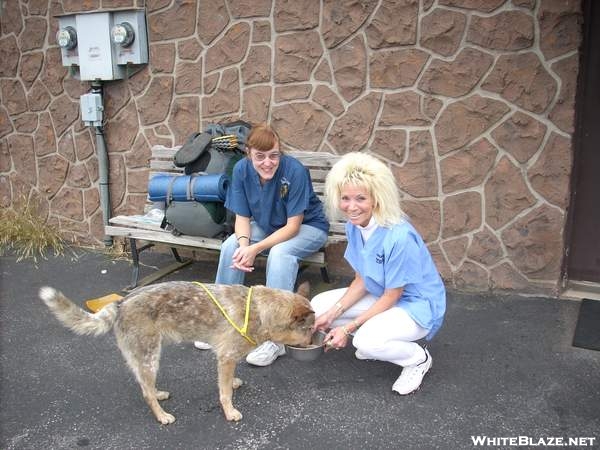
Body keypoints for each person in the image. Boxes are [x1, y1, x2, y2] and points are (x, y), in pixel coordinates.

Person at [195, 123, 329, 366]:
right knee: (230, 247)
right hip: (270, 226)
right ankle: (221, 320)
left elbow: (293, 227)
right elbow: (242, 219)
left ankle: (274, 339)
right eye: (260, 156)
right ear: (249, 154)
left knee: (280, 253)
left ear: (280, 153)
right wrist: (245, 246)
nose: (267, 162)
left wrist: (255, 249)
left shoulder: (295, 171)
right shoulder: (241, 170)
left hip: (309, 228)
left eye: (273, 155)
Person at [311, 152, 446, 395]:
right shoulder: (356, 226)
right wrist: (332, 315)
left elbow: (393, 295)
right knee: (319, 307)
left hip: (416, 305)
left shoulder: (399, 236)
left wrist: (348, 328)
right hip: (383, 294)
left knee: (366, 341)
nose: (351, 207)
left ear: (376, 198)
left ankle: (417, 359)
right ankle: (378, 335)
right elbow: (362, 279)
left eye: (361, 198)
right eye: (345, 198)